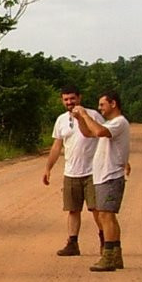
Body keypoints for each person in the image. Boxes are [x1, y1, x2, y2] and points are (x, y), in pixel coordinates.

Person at [71, 90, 131, 272]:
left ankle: (109, 256)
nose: (100, 108)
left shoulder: (119, 122)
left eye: (102, 104)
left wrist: (84, 114)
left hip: (111, 175)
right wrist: (81, 119)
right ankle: (115, 255)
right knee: (106, 216)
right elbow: (89, 133)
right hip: (104, 175)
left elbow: (99, 130)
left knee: (106, 216)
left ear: (113, 104)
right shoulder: (112, 123)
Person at [42, 85, 104, 257]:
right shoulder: (61, 120)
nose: (69, 102)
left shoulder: (93, 115)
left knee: (96, 209)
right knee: (73, 209)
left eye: (72, 98)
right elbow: (57, 146)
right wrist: (48, 168)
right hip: (71, 171)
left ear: (79, 98)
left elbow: (105, 136)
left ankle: (105, 241)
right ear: (62, 100)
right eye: (66, 99)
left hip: (93, 171)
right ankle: (72, 243)